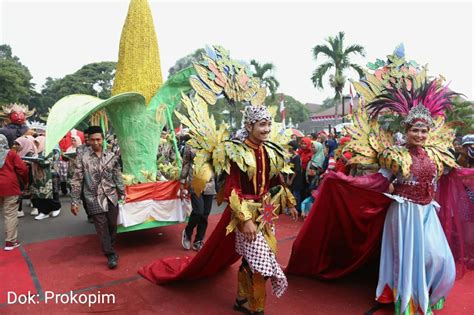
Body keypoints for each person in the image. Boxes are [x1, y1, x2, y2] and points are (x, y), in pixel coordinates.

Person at [70, 126, 125, 269]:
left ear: (103, 140)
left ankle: (110, 248)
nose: (95, 142)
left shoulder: (111, 156)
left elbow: (117, 176)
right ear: (88, 141)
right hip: (93, 197)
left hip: (111, 196)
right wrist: (75, 200)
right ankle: (110, 254)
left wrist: (122, 192)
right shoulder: (82, 158)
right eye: (92, 140)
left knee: (112, 224)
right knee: (102, 227)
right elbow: (76, 180)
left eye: (98, 139)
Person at [0, 134, 29, 250]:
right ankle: (10, 242)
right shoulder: (11, 154)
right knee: (10, 214)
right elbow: (22, 169)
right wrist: (26, 182)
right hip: (10, 187)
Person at [286, 140, 304, 216]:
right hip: (291, 178)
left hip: (296, 179)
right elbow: (288, 168)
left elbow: (296, 170)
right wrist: (287, 178)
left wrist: (290, 180)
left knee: (296, 195)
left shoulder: (297, 157)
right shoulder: (291, 157)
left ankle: (298, 210)